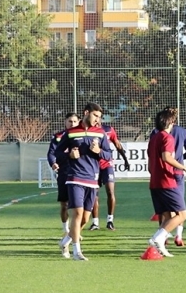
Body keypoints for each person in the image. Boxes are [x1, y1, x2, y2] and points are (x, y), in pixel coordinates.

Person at [56, 103, 112, 261]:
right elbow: (57, 152)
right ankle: (77, 252)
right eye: (95, 116)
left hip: (92, 180)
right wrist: (69, 155)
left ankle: (65, 242)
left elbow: (109, 155)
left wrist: (99, 151)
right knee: (77, 214)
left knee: (85, 219)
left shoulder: (100, 133)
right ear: (86, 113)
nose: (97, 120)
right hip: (74, 178)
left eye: (99, 117)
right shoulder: (71, 133)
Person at [147, 107, 186, 257]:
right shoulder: (167, 138)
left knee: (167, 216)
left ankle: (160, 246)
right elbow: (167, 157)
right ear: (170, 122)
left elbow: (150, 162)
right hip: (167, 181)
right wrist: (185, 168)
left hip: (154, 182)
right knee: (182, 215)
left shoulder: (154, 138)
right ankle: (157, 238)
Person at [89, 121, 130, 231]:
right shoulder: (88, 131)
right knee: (94, 194)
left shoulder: (108, 130)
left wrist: (125, 159)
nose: (96, 120)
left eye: (98, 117)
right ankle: (95, 222)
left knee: (110, 192)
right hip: (93, 166)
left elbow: (117, 144)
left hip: (107, 164)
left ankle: (110, 221)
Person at [47, 113, 80, 236]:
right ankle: (65, 229)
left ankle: (76, 230)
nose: (72, 124)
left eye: (75, 121)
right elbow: (51, 153)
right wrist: (53, 163)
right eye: (70, 121)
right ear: (65, 122)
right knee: (64, 204)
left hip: (79, 172)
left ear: (78, 122)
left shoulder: (81, 135)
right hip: (64, 172)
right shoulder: (58, 137)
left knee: (78, 205)